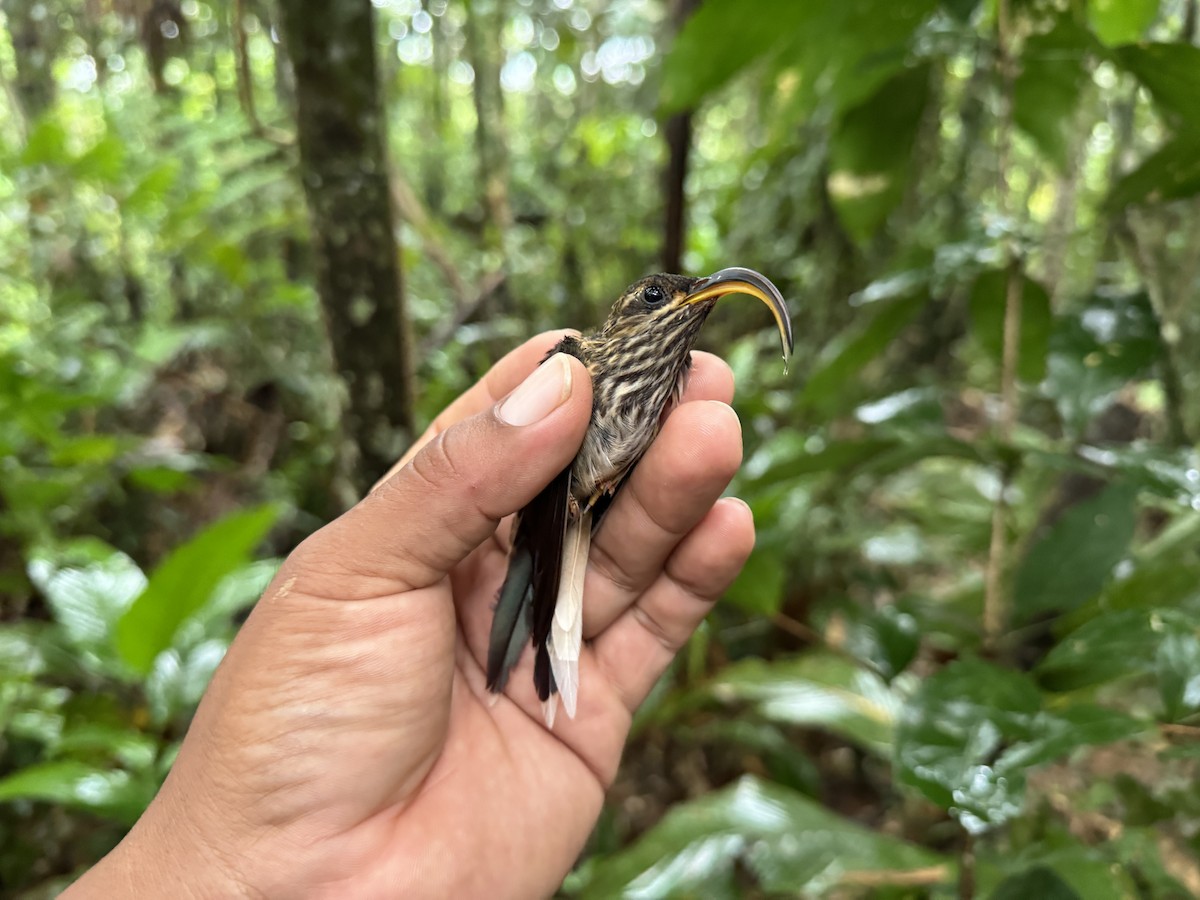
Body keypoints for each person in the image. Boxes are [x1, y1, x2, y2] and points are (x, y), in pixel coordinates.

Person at [65, 331, 754, 898]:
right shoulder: (583, 359)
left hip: (586, 509)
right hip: (559, 507)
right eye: (658, 300)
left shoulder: (662, 382)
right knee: (544, 590)